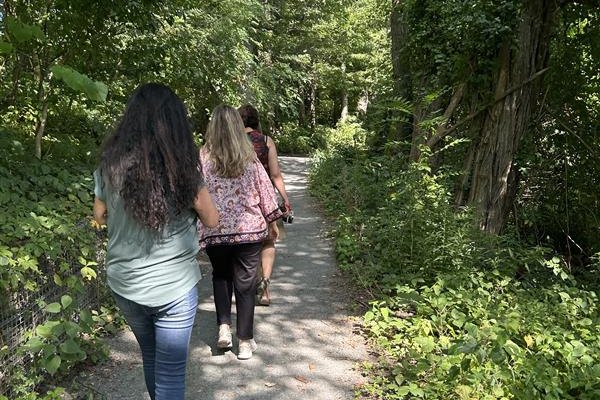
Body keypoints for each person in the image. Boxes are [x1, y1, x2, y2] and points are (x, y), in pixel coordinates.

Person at [92, 83, 219, 400]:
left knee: (151, 358)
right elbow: (212, 219)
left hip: (125, 283)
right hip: (174, 286)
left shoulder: (109, 165)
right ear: (175, 122)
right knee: (171, 374)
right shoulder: (184, 170)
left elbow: (98, 215)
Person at [197, 104, 282, 360]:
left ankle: (224, 327)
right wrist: (272, 221)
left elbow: (195, 193)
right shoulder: (248, 155)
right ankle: (245, 342)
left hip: (215, 231)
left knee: (221, 276)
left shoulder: (203, 156)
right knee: (246, 283)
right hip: (249, 230)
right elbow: (265, 189)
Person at [237, 104, 292, 306]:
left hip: (240, 200)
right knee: (268, 242)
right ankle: (265, 289)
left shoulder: (232, 142)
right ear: (256, 120)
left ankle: (245, 287)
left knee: (243, 244)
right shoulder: (266, 141)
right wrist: (284, 199)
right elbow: (275, 174)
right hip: (266, 199)